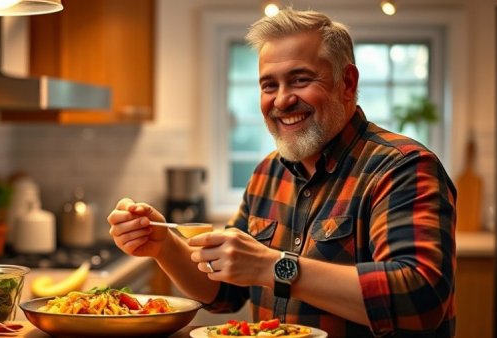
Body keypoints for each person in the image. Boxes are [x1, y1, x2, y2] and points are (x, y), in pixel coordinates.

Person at [107, 8, 456, 338]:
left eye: (300, 80)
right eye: (268, 85)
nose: (281, 100)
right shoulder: (267, 173)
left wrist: (273, 267)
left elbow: (422, 298)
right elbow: (224, 291)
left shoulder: (402, 166)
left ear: (346, 83)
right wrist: (165, 246)